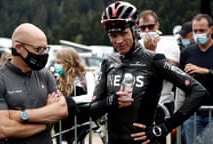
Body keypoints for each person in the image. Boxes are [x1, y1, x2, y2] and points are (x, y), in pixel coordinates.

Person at [89, 1, 209, 144]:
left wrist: (164, 127)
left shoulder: (154, 60)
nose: (119, 40)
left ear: (135, 29)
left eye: (123, 33)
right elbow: (93, 110)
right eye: (113, 36)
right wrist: (111, 101)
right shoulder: (108, 62)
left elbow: (198, 91)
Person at [0, 23, 69, 144]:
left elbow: (62, 109)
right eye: (38, 49)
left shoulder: (45, 75)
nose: (44, 54)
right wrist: (46, 123)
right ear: (18, 47)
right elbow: (4, 129)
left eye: (45, 48)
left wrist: (22, 115)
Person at [138, 10, 180, 144]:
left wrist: (152, 52)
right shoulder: (134, 45)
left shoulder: (170, 45)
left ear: (157, 25)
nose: (146, 30)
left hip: (162, 105)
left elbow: (171, 72)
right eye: (142, 27)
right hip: (138, 105)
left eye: (150, 26)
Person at [179, 13, 213, 144]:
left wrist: (206, 71)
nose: (198, 34)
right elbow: (180, 83)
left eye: (202, 30)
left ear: (211, 29)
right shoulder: (187, 52)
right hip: (193, 113)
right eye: (195, 31)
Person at [53, 47, 96, 144]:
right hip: (64, 118)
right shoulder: (59, 77)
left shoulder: (86, 75)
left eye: (59, 63)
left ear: (69, 62)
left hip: (80, 115)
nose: (57, 66)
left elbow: (91, 96)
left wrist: (69, 100)